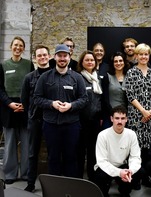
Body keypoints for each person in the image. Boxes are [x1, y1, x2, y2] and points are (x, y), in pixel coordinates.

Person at [33, 44, 88, 177]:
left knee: (71, 158)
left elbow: (84, 99)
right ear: (54, 57)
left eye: (65, 56)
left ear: (70, 57)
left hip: (72, 125)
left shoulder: (77, 78)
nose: (62, 58)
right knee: (53, 158)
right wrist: (52, 104)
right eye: (60, 56)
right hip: (51, 125)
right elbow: (37, 98)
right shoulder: (45, 77)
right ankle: (54, 189)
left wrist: (71, 106)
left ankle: (69, 188)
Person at [123, 43, 151, 188]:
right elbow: (130, 94)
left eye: (146, 54)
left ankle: (146, 178)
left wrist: (150, 111)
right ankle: (135, 178)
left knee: (148, 149)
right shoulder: (131, 72)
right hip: (136, 116)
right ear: (137, 56)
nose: (143, 57)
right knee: (135, 149)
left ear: (149, 55)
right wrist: (143, 111)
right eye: (141, 54)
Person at [0, 36, 34, 184]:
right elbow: (0, 89)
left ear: (24, 48)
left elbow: (33, 87)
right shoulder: (3, 65)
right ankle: (10, 174)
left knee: (26, 143)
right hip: (9, 108)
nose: (18, 48)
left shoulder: (29, 65)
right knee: (10, 144)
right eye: (15, 45)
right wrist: (9, 103)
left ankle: (26, 173)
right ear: (11, 47)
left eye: (21, 45)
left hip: (25, 107)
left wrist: (25, 104)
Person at [21, 44, 52, 192]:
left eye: (44, 55)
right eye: (39, 55)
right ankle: (31, 182)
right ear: (35, 58)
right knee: (33, 153)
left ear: (49, 56)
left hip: (51, 120)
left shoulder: (55, 75)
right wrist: (31, 114)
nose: (42, 57)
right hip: (34, 120)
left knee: (53, 152)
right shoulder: (29, 78)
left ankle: (54, 182)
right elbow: (24, 100)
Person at [94, 105, 142, 197]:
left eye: (122, 118)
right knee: (101, 181)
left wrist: (130, 171)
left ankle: (124, 190)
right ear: (111, 119)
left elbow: (135, 157)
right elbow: (102, 161)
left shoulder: (131, 134)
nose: (120, 121)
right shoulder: (103, 135)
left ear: (126, 119)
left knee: (139, 171)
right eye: (117, 118)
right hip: (105, 167)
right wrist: (118, 172)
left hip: (122, 166)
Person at [76, 50, 103, 182]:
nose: (90, 62)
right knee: (80, 151)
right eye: (87, 60)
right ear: (82, 62)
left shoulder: (98, 78)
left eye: (92, 60)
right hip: (81, 120)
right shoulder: (77, 78)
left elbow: (101, 100)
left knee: (93, 151)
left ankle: (93, 179)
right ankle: (79, 179)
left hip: (96, 121)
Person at [101, 52, 130, 129]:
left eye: (120, 61)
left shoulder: (129, 77)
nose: (118, 63)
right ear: (112, 63)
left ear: (124, 62)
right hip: (110, 115)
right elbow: (104, 99)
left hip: (125, 116)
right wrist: (112, 113)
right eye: (115, 61)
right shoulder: (107, 77)